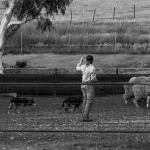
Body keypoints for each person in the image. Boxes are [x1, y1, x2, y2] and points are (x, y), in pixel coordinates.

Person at [76, 55, 97, 122]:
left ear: (86, 60)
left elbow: (77, 68)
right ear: (92, 60)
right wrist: (96, 80)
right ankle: (85, 116)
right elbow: (93, 79)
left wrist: (80, 61)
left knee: (85, 100)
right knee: (89, 101)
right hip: (89, 85)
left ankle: (83, 115)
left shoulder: (83, 66)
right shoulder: (92, 68)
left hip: (82, 84)